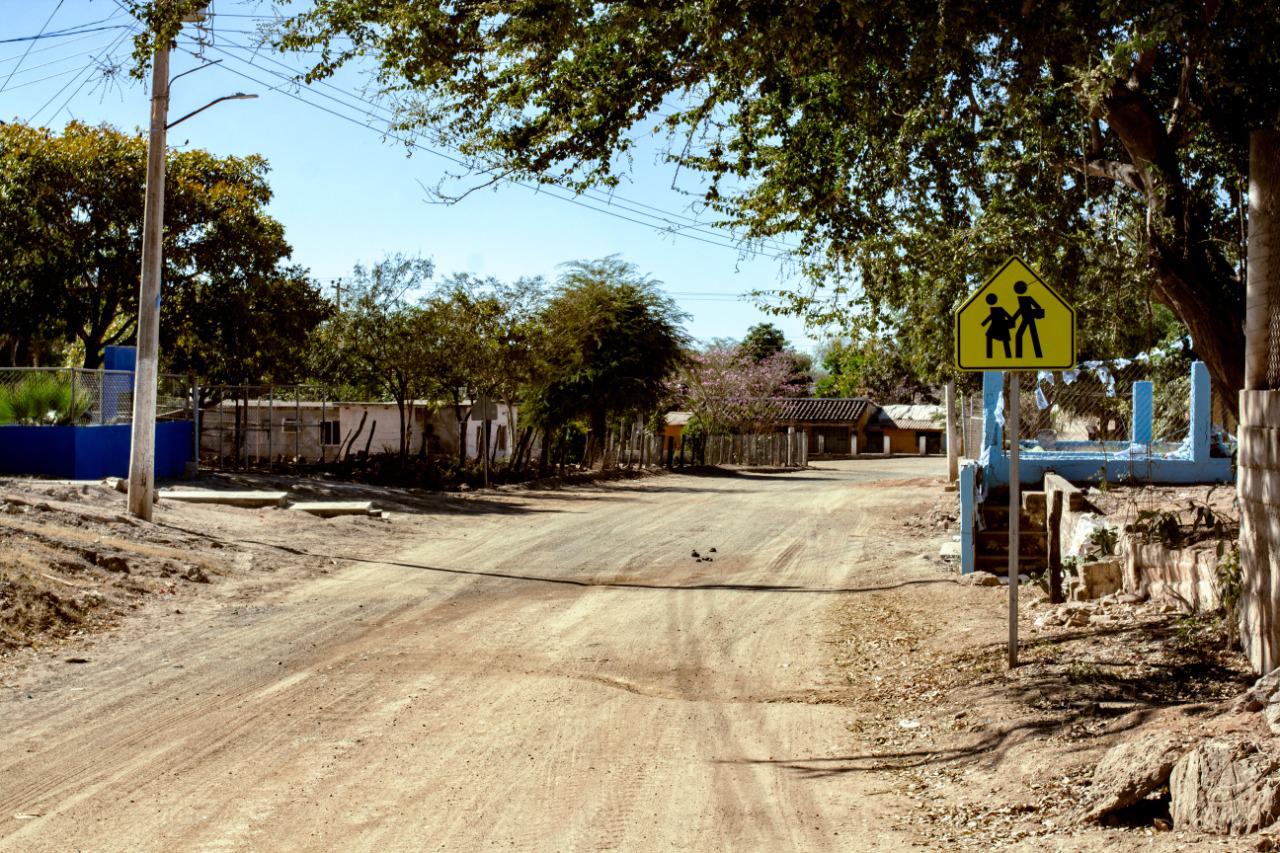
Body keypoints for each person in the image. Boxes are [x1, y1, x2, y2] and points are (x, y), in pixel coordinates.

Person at [1013, 281, 1044, 358]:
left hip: (1029, 318)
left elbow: (1038, 306)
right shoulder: (1020, 298)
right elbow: (1020, 309)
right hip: (1026, 318)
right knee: (1032, 336)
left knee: (1021, 335)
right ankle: (1037, 354)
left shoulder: (1028, 298)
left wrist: (1014, 318)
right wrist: (1013, 318)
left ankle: (1019, 355)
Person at [981, 293, 1015, 359]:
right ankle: (989, 355)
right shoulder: (994, 309)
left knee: (1004, 341)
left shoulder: (999, 309)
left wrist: (984, 323)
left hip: (1000, 326)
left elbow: (1008, 316)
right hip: (996, 326)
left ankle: (1008, 356)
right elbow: (991, 316)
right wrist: (983, 323)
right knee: (990, 338)